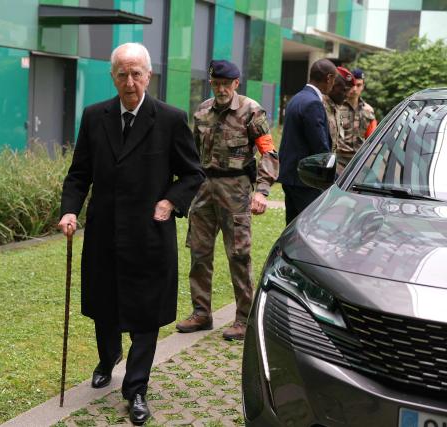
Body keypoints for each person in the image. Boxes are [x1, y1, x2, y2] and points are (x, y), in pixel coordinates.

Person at [58, 42, 204, 425]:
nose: (129, 81)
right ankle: (109, 358)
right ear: (112, 76)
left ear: (149, 75)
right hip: (105, 234)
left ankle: (136, 388)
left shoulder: (170, 119)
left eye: (136, 73)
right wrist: (70, 209)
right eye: (122, 73)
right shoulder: (94, 117)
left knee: (145, 314)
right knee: (104, 305)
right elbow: (79, 174)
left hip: (149, 236)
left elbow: (192, 173)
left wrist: (171, 202)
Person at [175, 60, 278, 341]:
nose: (220, 88)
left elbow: (268, 153)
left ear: (236, 83)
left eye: (226, 83)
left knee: (239, 255)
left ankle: (244, 319)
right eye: (216, 83)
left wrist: (262, 190)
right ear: (211, 83)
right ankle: (201, 313)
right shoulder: (202, 112)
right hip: (204, 189)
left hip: (236, 189)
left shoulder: (251, 110)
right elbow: (192, 155)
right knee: (199, 253)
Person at [277, 58, 337, 225]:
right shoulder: (313, 103)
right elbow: (320, 149)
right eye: (334, 80)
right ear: (328, 78)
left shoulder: (296, 99)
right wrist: (337, 178)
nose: (333, 85)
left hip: (290, 177)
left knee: (292, 228)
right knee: (310, 229)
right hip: (305, 181)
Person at [335, 68, 378, 174]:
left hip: (360, 161)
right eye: (352, 84)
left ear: (363, 86)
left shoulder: (368, 110)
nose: (354, 89)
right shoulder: (336, 107)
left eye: (358, 85)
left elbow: (372, 138)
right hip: (338, 161)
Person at [323, 66, 355, 154]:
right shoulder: (319, 106)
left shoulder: (335, 108)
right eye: (344, 90)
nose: (347, 95)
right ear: (333, 85)